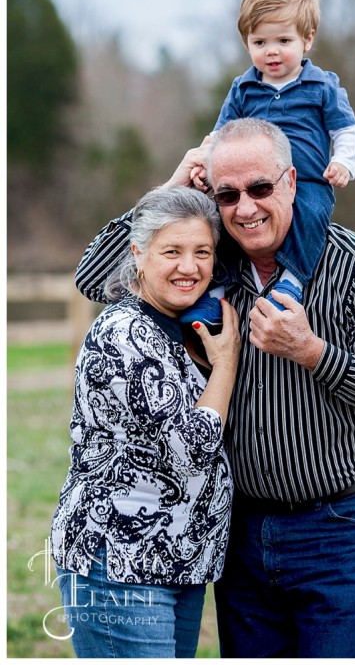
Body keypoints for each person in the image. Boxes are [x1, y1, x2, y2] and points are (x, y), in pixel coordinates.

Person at [73, 117, 355, 658]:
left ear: (290, 182)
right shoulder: (211, 263)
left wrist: (313, 352)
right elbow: (97, 276)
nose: (245, 208)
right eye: (228, 194)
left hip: (342, 527)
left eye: (260, 188)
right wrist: (171, 189)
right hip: (241, 532)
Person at [51, 187, 241, 658]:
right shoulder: (126, 332)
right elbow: (192, 449)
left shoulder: (172, 325)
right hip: (120, 563)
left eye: (202, 252)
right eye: (171, 251)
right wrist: (226, 365)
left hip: (176, 563)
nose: (189, 267)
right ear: (138, 253)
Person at [183, 0, 355, 327]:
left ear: (307, 39)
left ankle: (291, 284)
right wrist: (204, 161)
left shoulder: (322, 85)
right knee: (226, 220)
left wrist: (342, 162)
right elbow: (219, 135)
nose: (272, 50)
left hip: (308, 178)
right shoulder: (244, 88)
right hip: (250, 180)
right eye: (260, 41)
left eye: (283, 40)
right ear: (247, 43)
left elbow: (345, 129)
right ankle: (215, 294)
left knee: (310, 217)